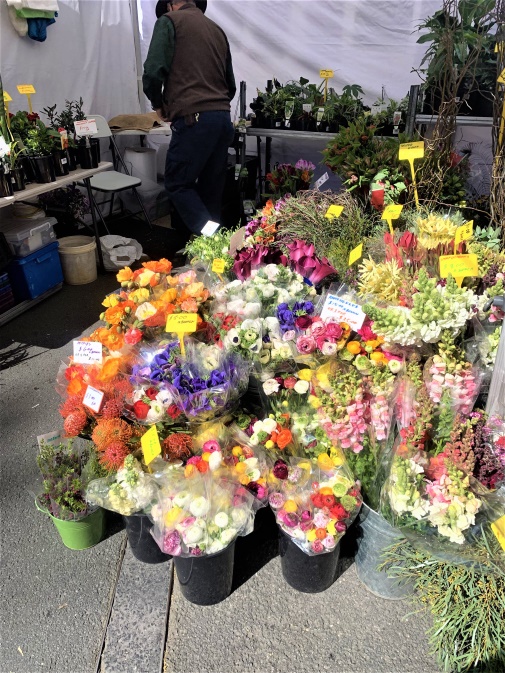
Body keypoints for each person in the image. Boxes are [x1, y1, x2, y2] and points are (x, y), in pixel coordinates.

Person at [143, 0, 236, 237]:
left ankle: (212, 240)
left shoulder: (169, 22)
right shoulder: (217, 30)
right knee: (210, 190)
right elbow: (230, 85)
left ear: (170, 5)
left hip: (195, 120)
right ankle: (212, 256)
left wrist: (158, 104)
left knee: (177, 183)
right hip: (222, 118)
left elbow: (153, 71)